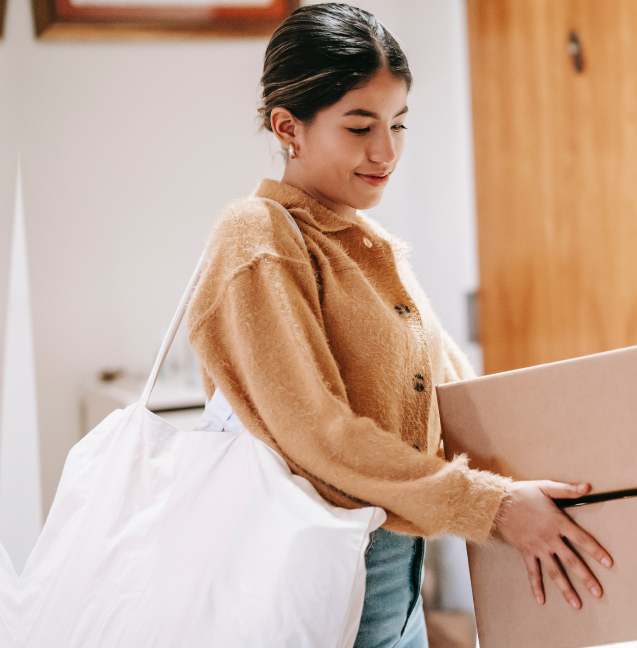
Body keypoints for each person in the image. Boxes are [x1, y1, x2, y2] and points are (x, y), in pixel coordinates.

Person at [186, 4, 613, 647]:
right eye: (360, 126)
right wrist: (493, 506)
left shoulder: (368, 244)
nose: (385, 150)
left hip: (399, 574)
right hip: (320, 576)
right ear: (288, 127)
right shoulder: (257, 237)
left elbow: (455, 396)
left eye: (399, 123)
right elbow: (318, 436)